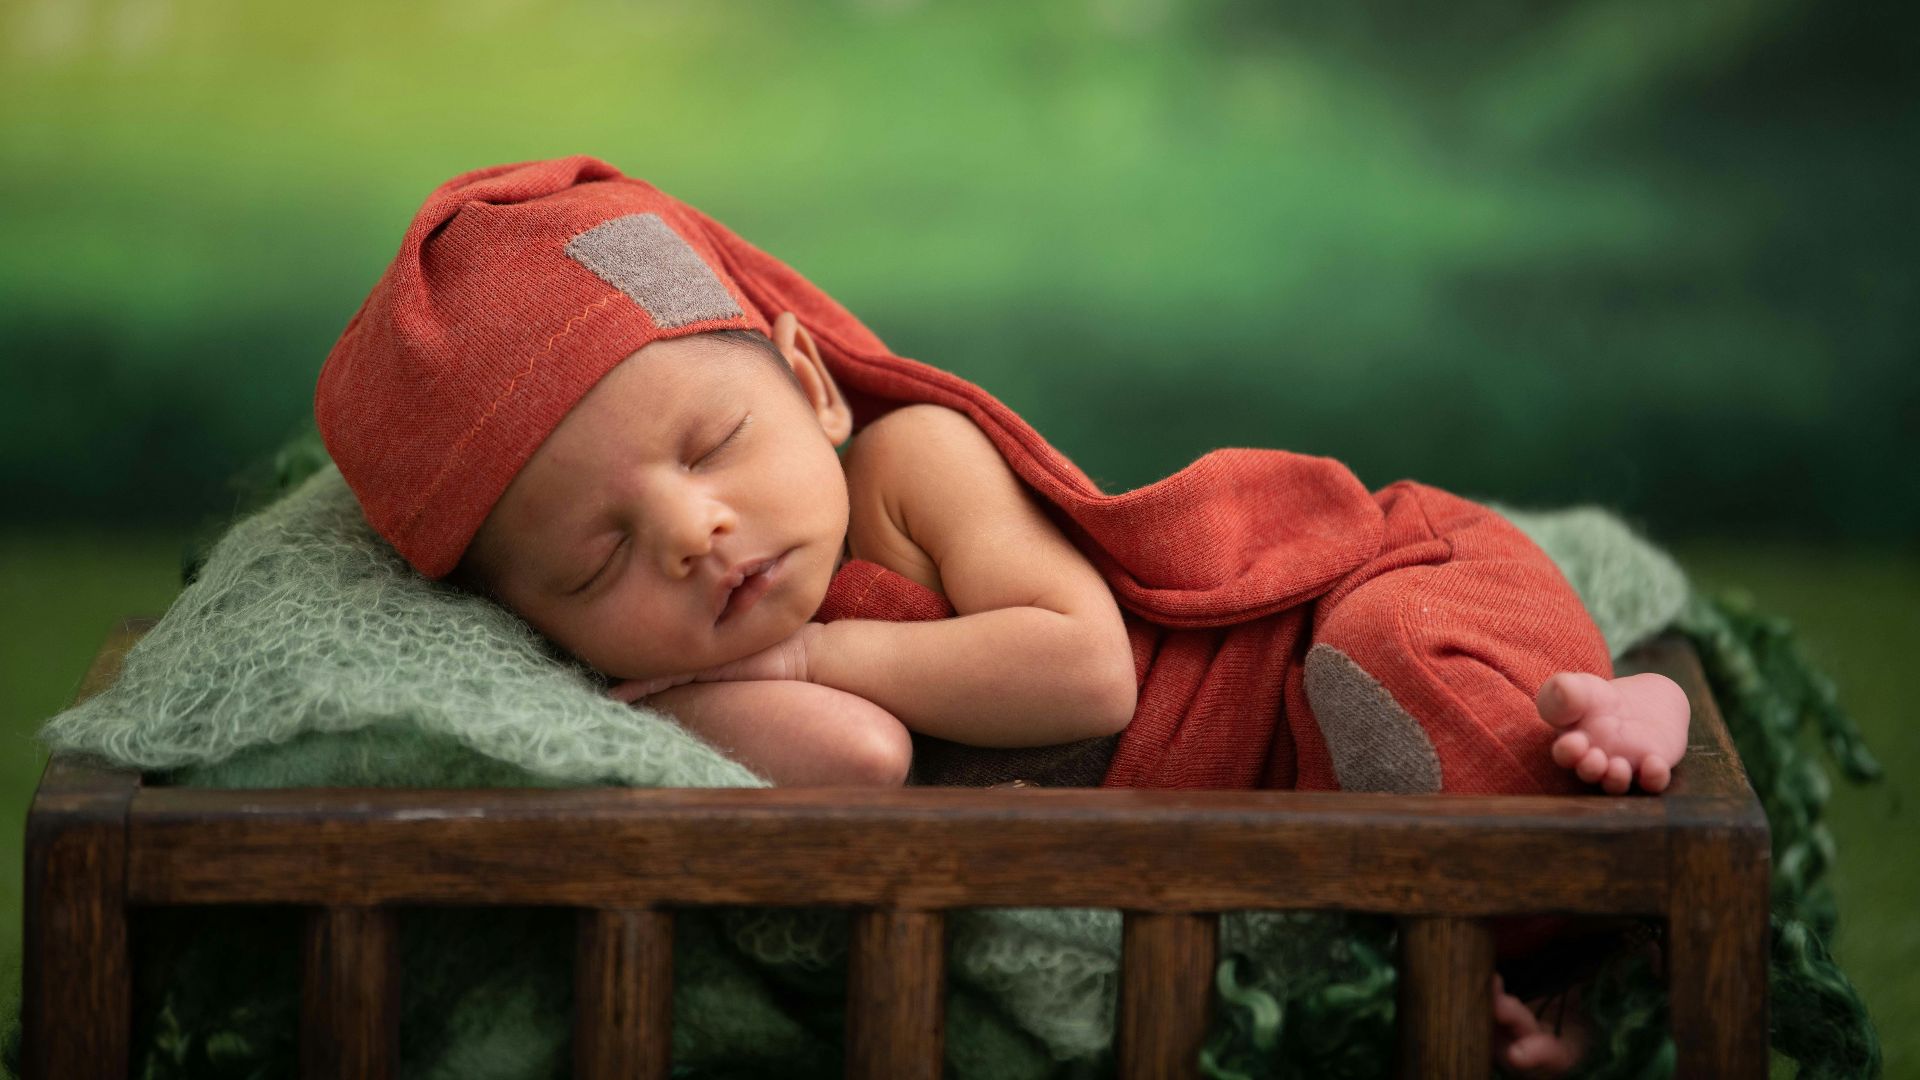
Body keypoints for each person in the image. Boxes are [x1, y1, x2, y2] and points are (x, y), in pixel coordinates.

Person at [316, 155, 1690, 1074]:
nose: (692, 536)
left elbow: (1089, 675)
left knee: (1389, 691)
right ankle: (1561, 986)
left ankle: (1629, 711)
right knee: (1415, 865)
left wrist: (813, 650)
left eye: (712, 445)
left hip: (1351, 601)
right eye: (596, 562)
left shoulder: (911, 470)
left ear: (813, 386)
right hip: (1298, 787)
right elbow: (863, 759)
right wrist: (732, 691)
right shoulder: (697, 678)